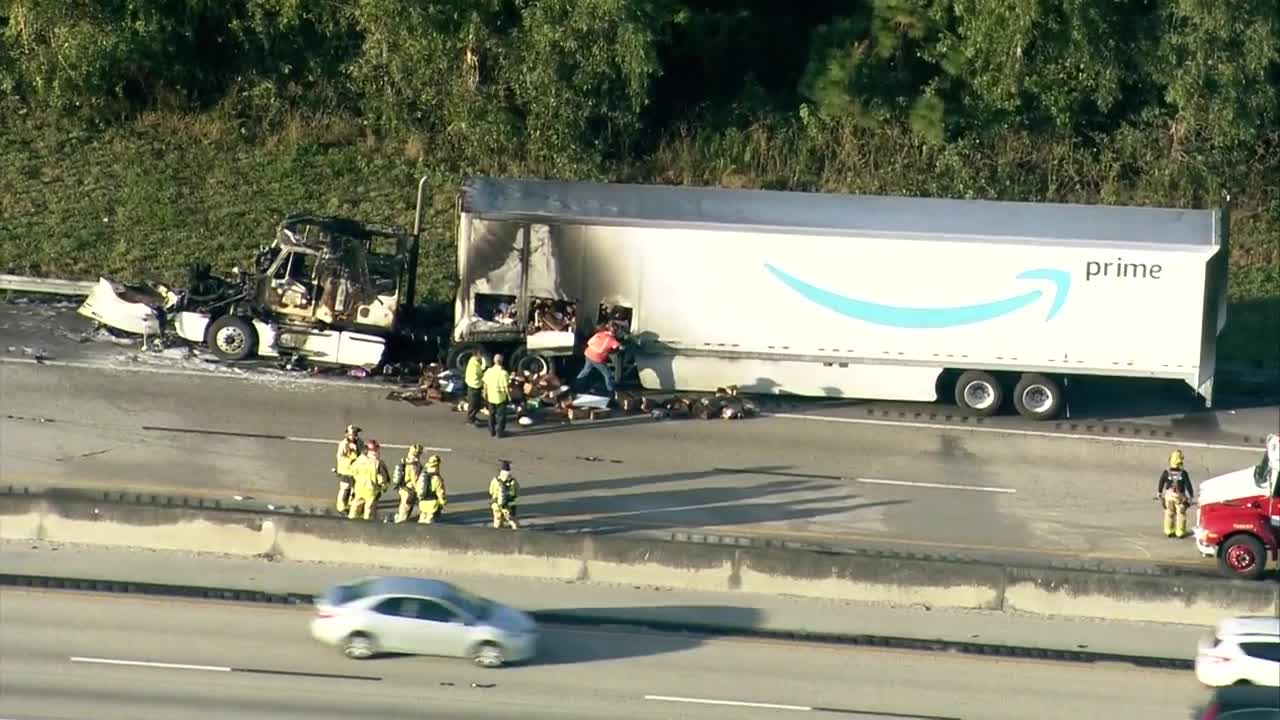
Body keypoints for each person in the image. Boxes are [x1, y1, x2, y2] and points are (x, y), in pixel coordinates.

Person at [1156, 449, 1195, 538]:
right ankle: (1180, 531)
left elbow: (1161, 482)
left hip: (1168, 496)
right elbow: (1188, 485)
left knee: (1169, 512)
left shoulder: (1166, 472)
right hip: (1179, 496)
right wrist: (1191, 496)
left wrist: (1159, 492)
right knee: (1181, 514)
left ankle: (1168, 530)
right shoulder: (1183, 473)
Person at [349, 439, 390, 521]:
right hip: (371, 491)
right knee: (369, 511)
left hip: (359, 489)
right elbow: (382, 479)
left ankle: (351, 521)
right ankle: (368, 526)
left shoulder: (360, 460)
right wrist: (383, 487)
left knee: (355, 507)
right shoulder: (378, 463)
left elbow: (352, 470)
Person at [576, 324, 622, 394]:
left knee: (586, 370)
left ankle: (577, 382)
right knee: (607, 373)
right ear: (615, 332)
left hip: (588, 353)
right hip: (597, 358)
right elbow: (617, 348)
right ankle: (611, 390)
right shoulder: (611, 340)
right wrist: (609, 350)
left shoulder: (600, 333)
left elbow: (589, 342)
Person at [333, 425, 362, 513]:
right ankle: (341, 506)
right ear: (347, 435)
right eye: (353, 434)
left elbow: (362, 453)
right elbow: (340, 457)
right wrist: (351, 460)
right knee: (345, 488)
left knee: (354, 488)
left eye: (356, 434)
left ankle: (350, 503)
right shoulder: (343, 444)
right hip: (346, 471)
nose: (355, 436)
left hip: (356, 471)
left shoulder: (359, 442)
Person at [482, 353, 512, 439]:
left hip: (491, 396)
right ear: (502, 362)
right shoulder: (504, 373)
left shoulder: (488, 371)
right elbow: (506, 387)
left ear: (494, 361)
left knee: (491, 414)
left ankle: (492, 430)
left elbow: (485, 385)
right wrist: (509, 396)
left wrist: (485, 394)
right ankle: (500, 432)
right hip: (500, 397)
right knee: (501, 415)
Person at [393, 444, 423, 523]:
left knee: (403, 509)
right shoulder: (414, 465)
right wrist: (420, 493)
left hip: (404, 489)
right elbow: (415, 480)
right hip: (409, 491)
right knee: (404, 514)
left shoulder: (407, 460)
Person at [488, 460, 520, 530]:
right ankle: (517, 533)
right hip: (508, 505)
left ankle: (498, 534)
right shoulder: (513, 481)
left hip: (496, 504)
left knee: (497, 520)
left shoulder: (495, 480)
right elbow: (516, 492)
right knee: (512, 521)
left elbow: (491, 491)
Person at [416, 454, 448, 524]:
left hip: (422, 503)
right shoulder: (437, 479)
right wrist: (443, 502)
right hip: (432, 505)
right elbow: (441, 493)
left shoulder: (422, 476)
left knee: (422, 519)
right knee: (429, 522)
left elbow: (418, 488)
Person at [463, 352, 489, 427]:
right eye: (480, 355)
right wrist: (484, 368)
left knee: (476, 404)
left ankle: (473, 418)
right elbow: (479, 373)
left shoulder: (473, 362)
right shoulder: (474, 364)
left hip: (474, 385)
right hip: (474, 386)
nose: (481, 357)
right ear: (477, 355)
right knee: (473, 404)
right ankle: (470, 420)